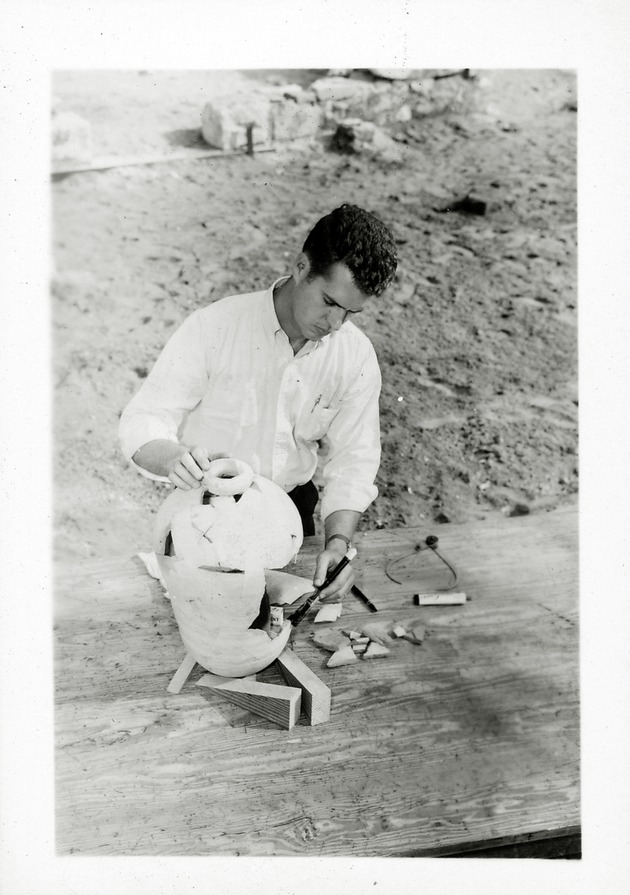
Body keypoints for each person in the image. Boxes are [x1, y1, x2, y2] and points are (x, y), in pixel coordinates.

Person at [119, 203, 398, 604]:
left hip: (291, 510)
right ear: (302, 267)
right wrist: (172, 457)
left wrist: (337, 544)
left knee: (284, 625)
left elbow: (354, 459)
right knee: (209, 630)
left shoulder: (353, 355)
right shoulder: (214, 327)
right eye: (330, 303)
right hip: (206, 513)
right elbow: (143, 419)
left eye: (351, 313)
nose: (334, 325)